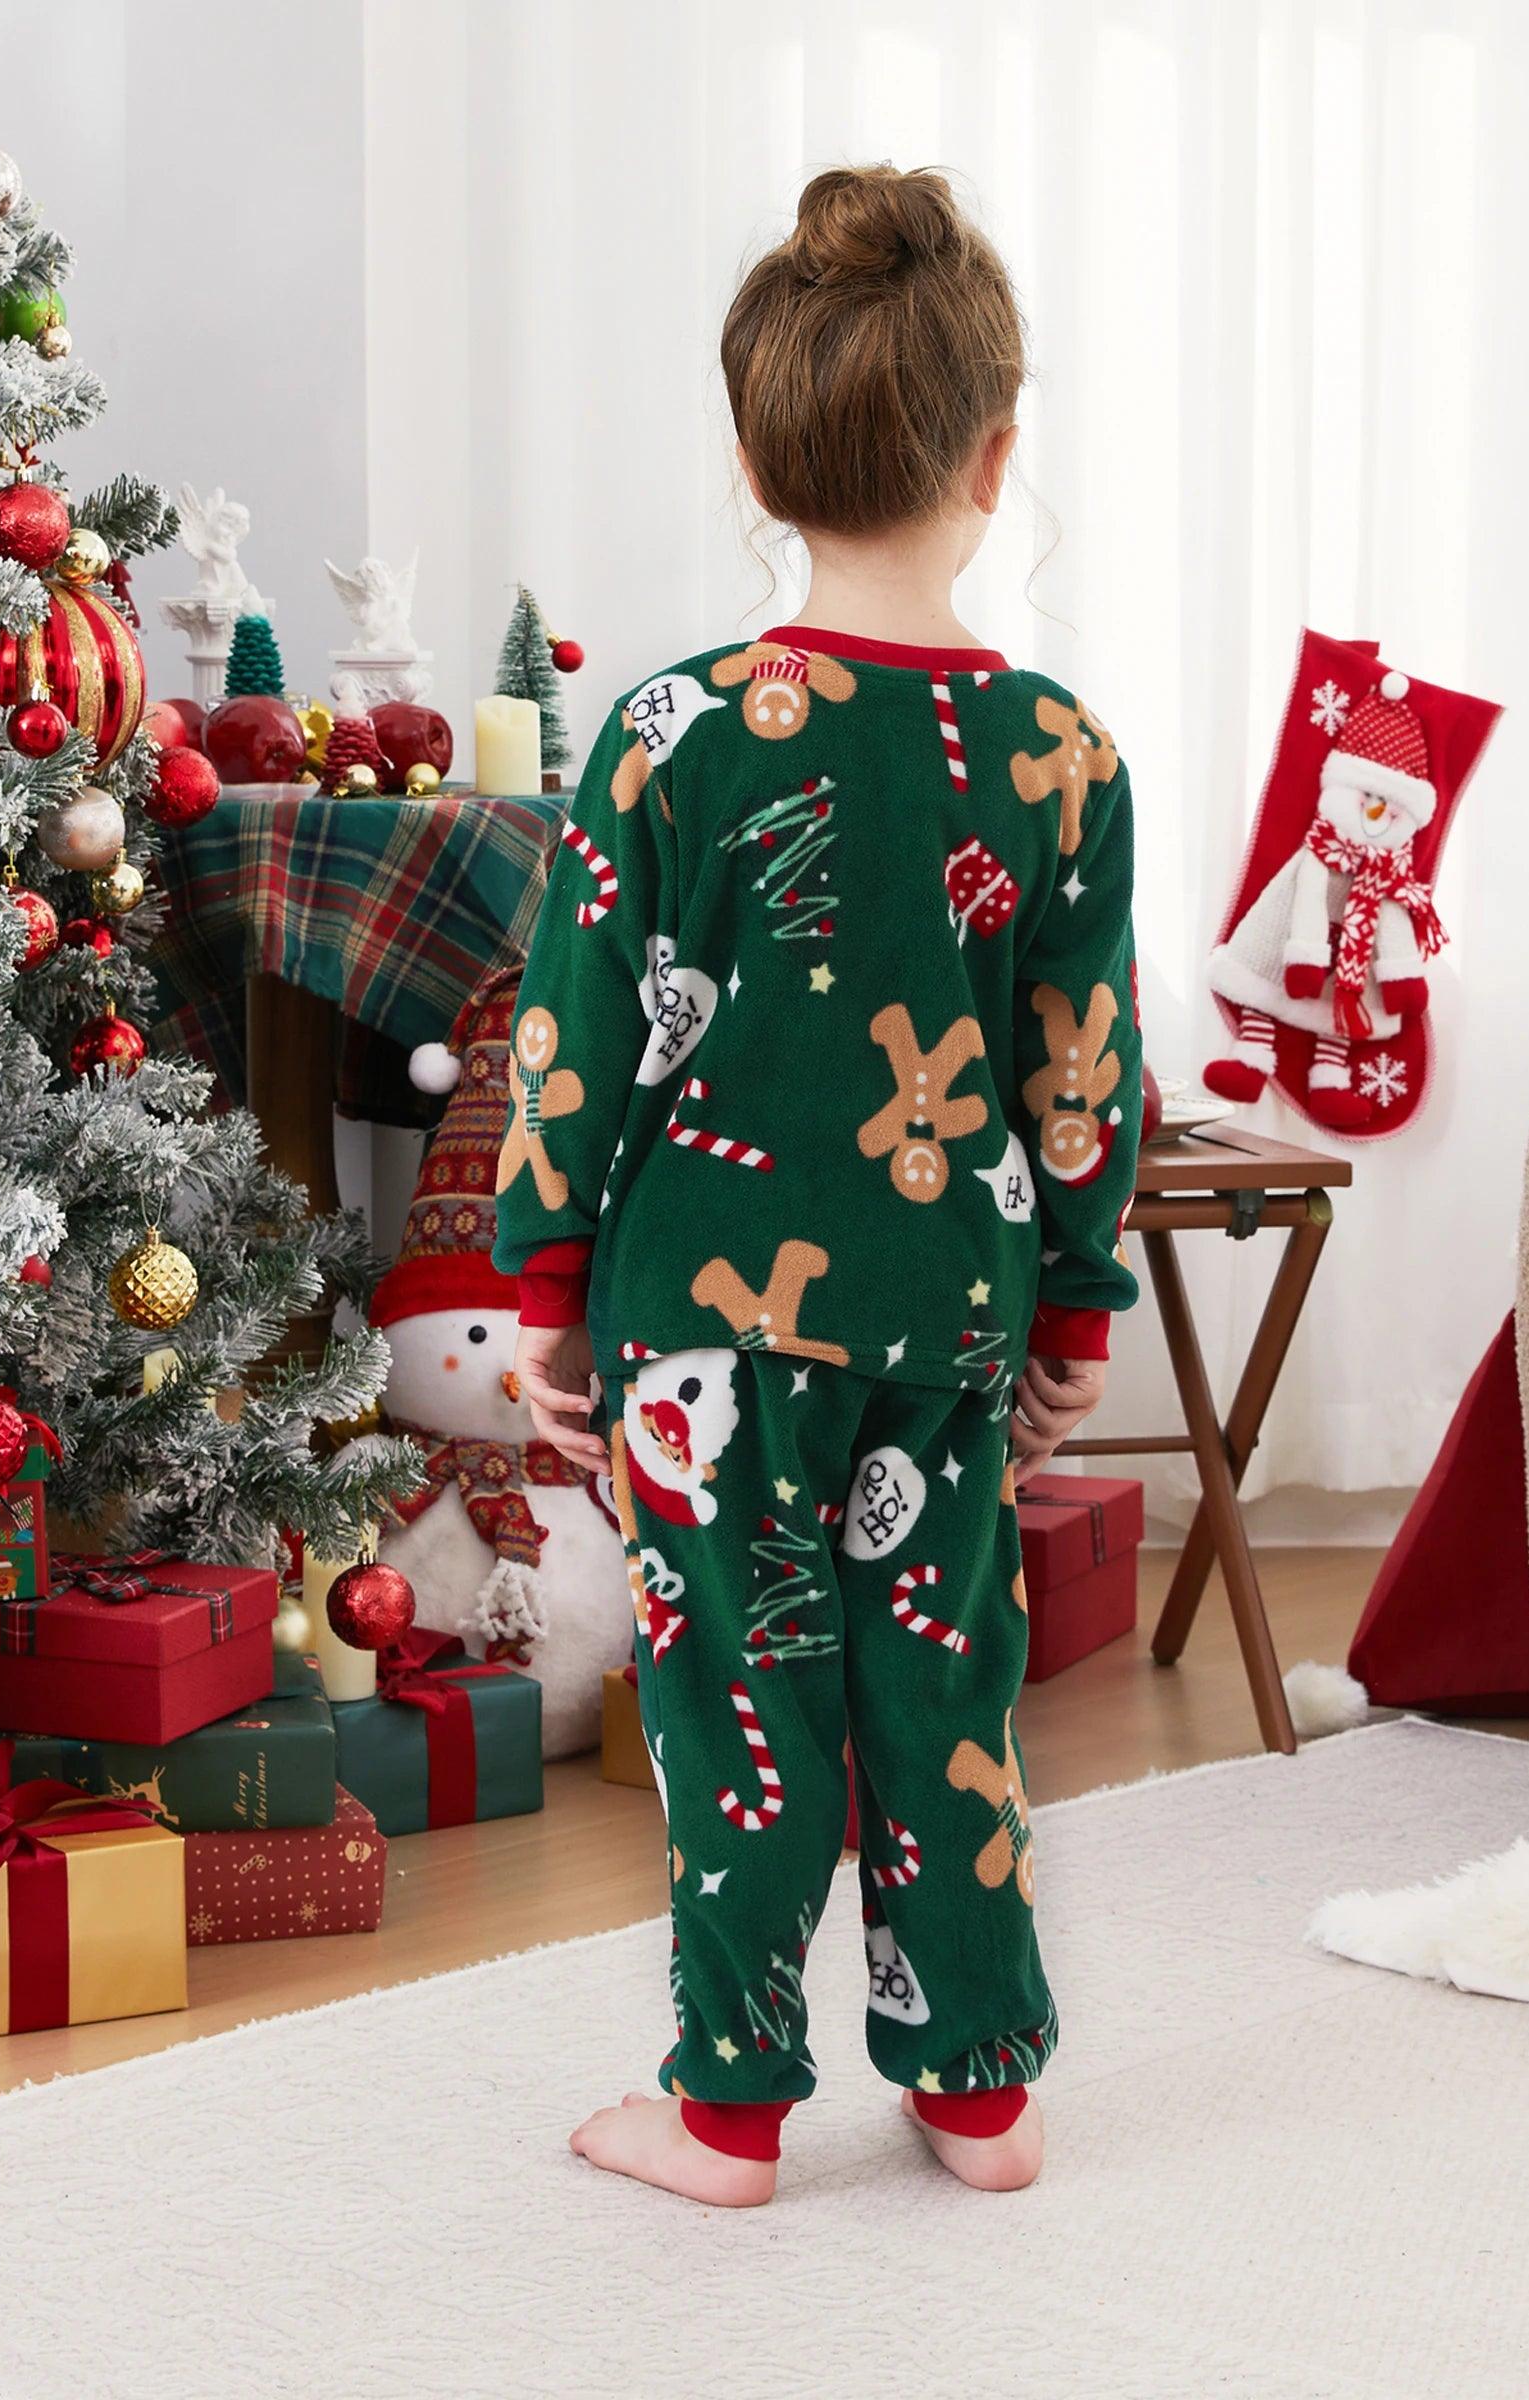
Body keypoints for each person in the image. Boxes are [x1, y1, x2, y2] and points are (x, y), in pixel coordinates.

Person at [494, 163, 1141, 2207]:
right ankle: (976, 2090)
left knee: (732, 1699)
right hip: (944, 1309)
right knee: (942, 1682)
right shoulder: (1059, 756)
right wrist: (1069, 1304)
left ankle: (728, 2107)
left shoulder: (671, 736)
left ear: (757, 457)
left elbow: (576, 1041)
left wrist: (540, 1289)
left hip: (698, 1325)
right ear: (998, 452)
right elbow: (1082, 1074)